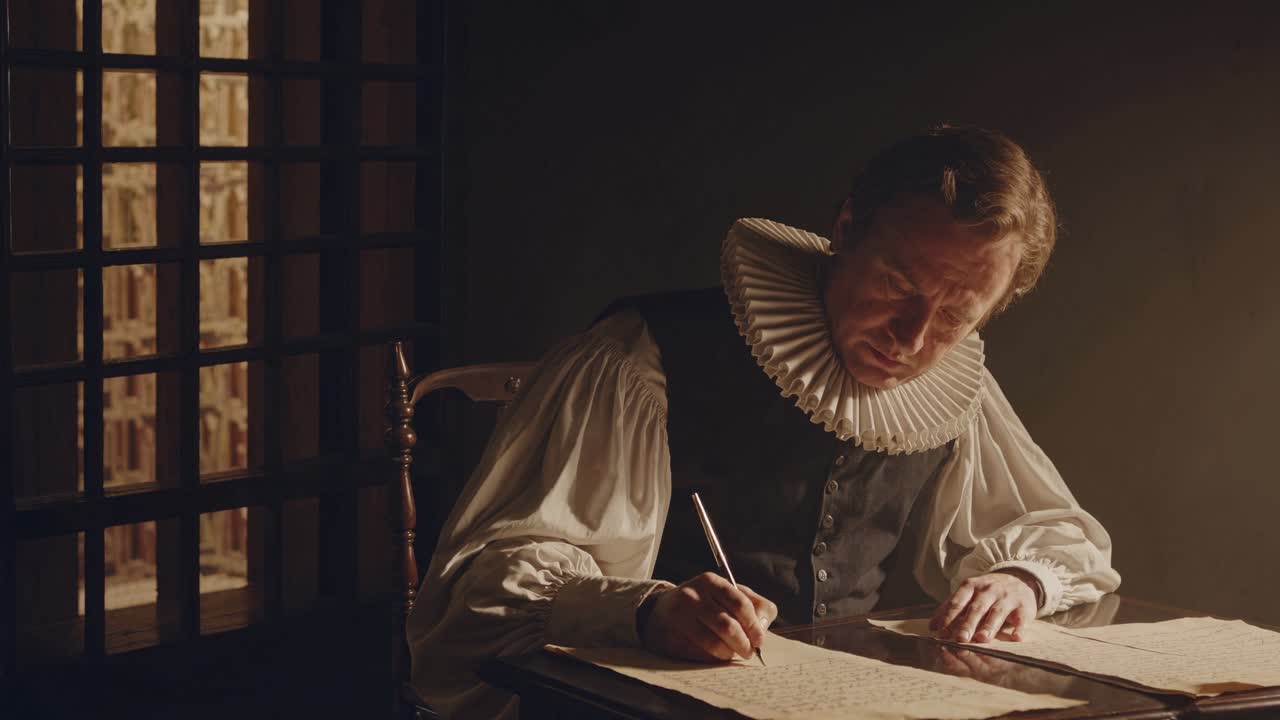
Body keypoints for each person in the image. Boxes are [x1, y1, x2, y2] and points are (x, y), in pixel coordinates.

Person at [407, 125, 1122, 719]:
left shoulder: (950, 383)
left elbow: (1053, 534)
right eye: (897, 285)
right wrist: (645, 611)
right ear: (845, 229)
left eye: (957, 317)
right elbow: (484, 588)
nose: (912, 337)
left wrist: (1022, 580)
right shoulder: (636, 360)